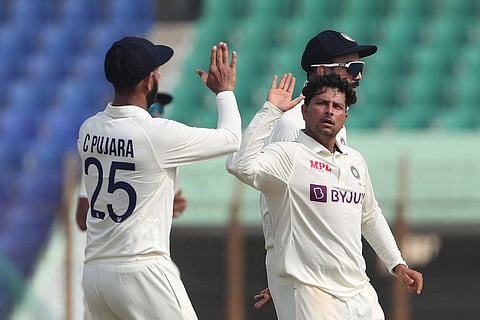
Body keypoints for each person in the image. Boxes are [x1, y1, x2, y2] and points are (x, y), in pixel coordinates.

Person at [227, 72, 423, 319]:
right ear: (304, 110)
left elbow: (369, 216)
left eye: (337, 106)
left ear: (345, 116)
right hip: (310, 291)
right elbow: (238, 165)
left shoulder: (355, 160)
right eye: (321, 104)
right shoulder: (288, 156)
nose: (329, 111)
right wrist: (271, 111)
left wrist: (397, 263)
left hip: (358, 291)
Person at [77, 37, 240, 319]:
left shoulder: (88, 129)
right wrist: (224, 92)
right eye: (157, 71)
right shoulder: (155, 133)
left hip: (95, 272)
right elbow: (231, 139)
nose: (159, 75)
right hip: (140, 268)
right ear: (147, 81)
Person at [254, 29, 378, 309]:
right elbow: (272, 202)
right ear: (322, 71)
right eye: (352, 67)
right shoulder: (290, 123)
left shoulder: (332, 122)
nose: (358, 76)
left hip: (324, 272)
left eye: (360, 68)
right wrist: (283, 271)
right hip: (302, 273)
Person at [75, 92, 186, 231]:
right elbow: (82, 219)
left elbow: (170, 205)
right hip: (120, 244)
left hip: (142, 244)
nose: (157, 115)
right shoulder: (106, 149)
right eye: (152, 108)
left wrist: (171, 207)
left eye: (160, 109)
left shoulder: (166, 151)